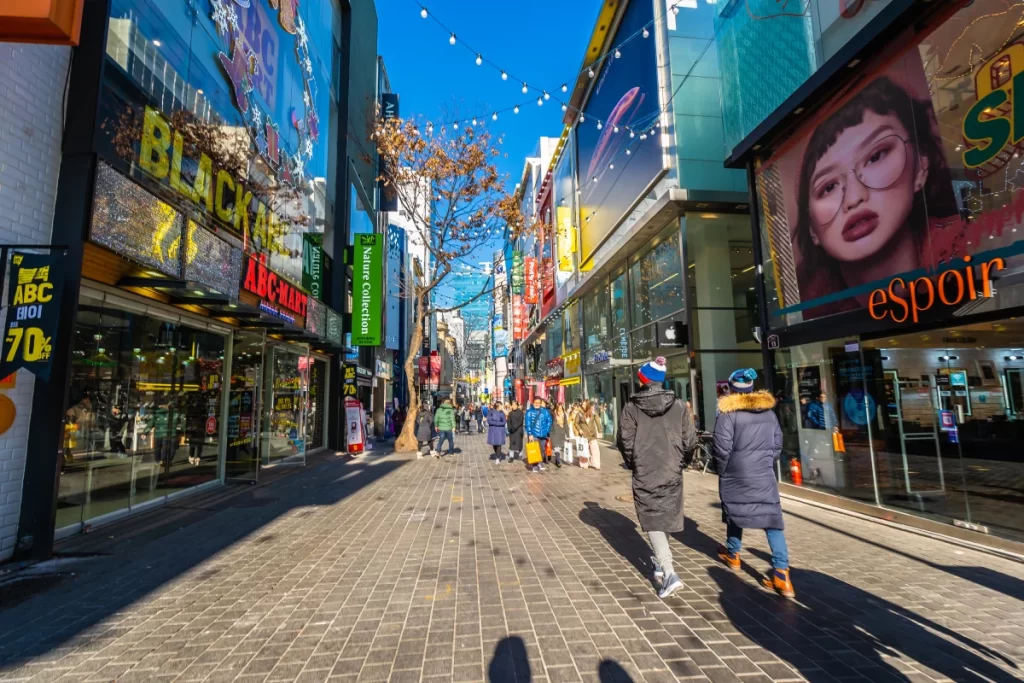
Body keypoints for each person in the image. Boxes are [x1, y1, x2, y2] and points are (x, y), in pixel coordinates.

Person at [792, 77, 959, 319]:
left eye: (876, 156)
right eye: (828, 187)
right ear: (812, 230)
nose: (855, 197)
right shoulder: (807, 308)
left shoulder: (972, 252)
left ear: (921, 165)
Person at [617, 356, 696, 599]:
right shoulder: (680, 406)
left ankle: (670, 573)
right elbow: (690, 440)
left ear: (643, 380)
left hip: (646, 469)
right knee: (664, 513)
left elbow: (625, 441)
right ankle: (662, 563)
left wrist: (635, 462)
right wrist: (682, 462)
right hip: (672, 467)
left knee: (652, 517)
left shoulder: (631, 408)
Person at [713, 368, 795, 599]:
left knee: (734, 510)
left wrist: (723, 469)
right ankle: (782, 572)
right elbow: (777, 444)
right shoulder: (769, 413)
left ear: (731, 389)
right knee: (772, 520)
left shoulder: (728, 414)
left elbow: (721, 447)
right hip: (763, 473)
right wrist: (766, 462)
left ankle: (733, 554)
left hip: (736, 472)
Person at [524, 397, 553, 473]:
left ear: (541, 403)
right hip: (534, 434)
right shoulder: (529, 412)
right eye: (535, 402)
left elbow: (549, 420)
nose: (537, 404)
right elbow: (528, 424)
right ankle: (534, 465)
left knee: (542, 449)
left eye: (538, 403)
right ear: (533, 403)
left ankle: (540, 462)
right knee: (535, 450)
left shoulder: (545, 411)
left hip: (543, 434)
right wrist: (530, 434)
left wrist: (547, 430)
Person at [574, 401, 602, 469]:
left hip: (592, 434)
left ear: (588, 406)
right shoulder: (579, 413)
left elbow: (597, 421)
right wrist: (579, 429)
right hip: (584, 434)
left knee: (595, 449)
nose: (583, 405)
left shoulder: (593, 412)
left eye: (584, 404)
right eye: (582, 404)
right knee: (584, 450)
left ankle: (596, 463)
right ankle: (584, 463)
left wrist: (599, 430)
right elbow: (576, 423)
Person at [549, 404, 567, 468]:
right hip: (554, 433)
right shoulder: (553, 414)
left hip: (562, 433)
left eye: (561, 408)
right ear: (556, 408)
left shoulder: (564, 415)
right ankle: (559, 461)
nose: (560, 410)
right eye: (559, 408)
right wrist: (549, 432)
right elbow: (550, 423)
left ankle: (557, 459)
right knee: (556, 447)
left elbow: (566, 424)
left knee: (559, 448)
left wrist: (567, 434)